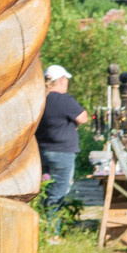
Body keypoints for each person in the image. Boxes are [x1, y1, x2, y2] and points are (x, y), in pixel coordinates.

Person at [37, 63, 89, 205]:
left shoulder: (40, 99)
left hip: (41, 152)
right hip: (62, 153)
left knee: (44, 192)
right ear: (61, 80)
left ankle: (43, 221)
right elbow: (83, 117)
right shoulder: (64, 100)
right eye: (66, 79)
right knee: (57, 194)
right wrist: (75, 124)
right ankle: (52, 226)